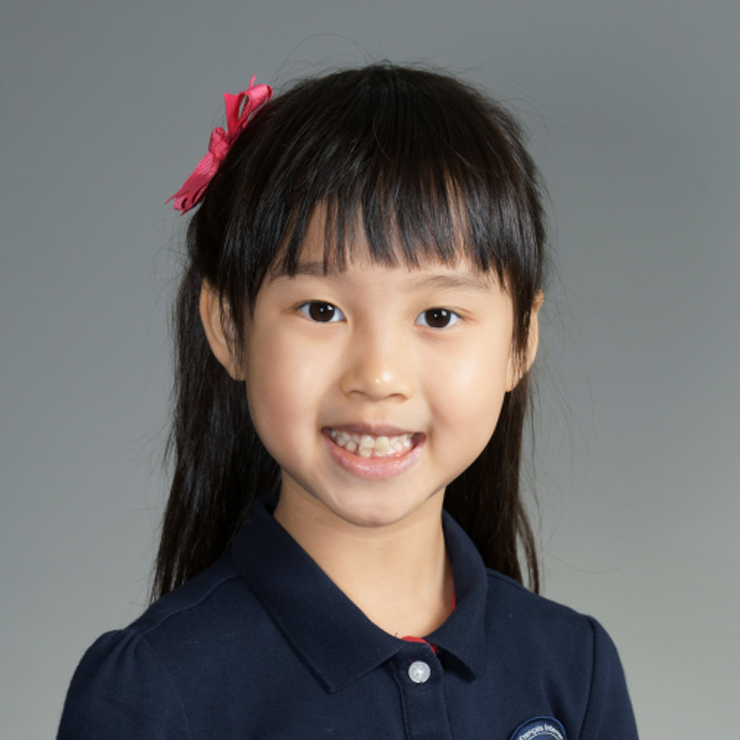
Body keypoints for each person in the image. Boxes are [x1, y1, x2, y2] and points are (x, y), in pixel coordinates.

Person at [58, 63, 638, 739]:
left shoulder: (573, 668)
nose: (379, 376)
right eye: (321, 309)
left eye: (439, 316)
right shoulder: (152, 687)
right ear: (229, 327)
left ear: (521, 341)